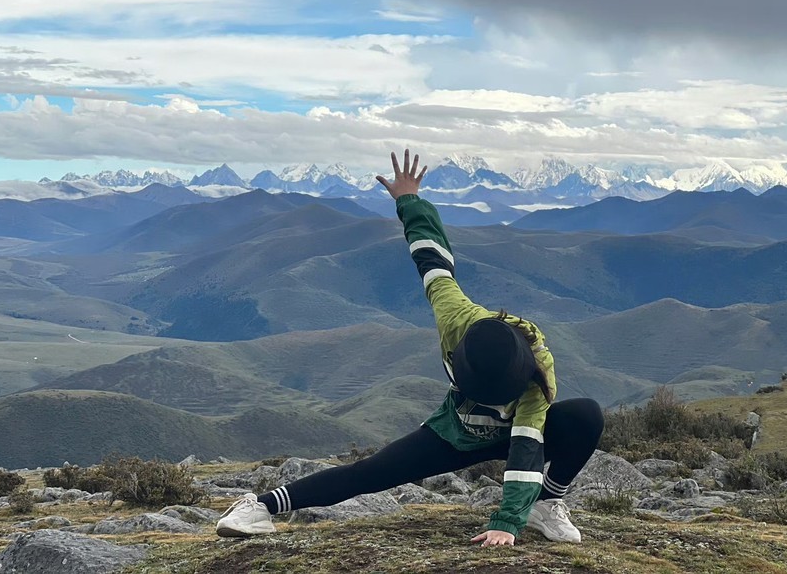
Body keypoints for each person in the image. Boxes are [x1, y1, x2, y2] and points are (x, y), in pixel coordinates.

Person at [216, 150, 605, 547]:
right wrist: (408, 200)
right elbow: (432, 257)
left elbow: (525, 447)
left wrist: (508, 522)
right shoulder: (459, 320)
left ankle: (545, 504)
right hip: (456, 433)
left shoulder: (536, 372)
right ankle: (259, 507)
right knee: (371, 472)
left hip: (516, 435)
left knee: (585, 417)